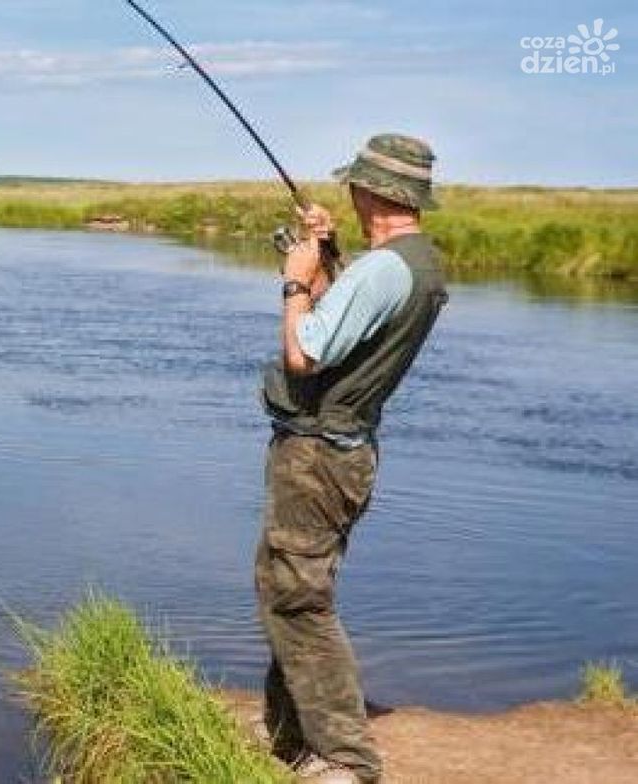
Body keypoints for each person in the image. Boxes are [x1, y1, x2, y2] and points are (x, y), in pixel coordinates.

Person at [256, 134, 448, 784]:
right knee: (285, 585)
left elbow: (306, 353)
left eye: (354, 185)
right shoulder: (410, 263)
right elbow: (355, 319)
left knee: (300, 601)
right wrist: (331, 255)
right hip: (340, 451)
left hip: (319, 456)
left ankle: (346, 759)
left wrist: (295, 279)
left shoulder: (385, 270)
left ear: (375, 192)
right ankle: (290, 732)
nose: (348, 193)